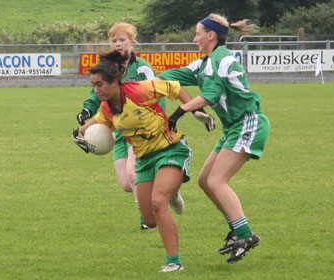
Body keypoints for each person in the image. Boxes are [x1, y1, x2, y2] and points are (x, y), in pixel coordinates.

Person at [76, 22, 214, 230]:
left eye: (122, 40)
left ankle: (148, 217)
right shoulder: (108, 70)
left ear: (132, 42)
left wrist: (159, 123)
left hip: (142, 130)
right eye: (113, 40)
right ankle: (167, 191)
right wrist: (86, 115)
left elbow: (160, 93)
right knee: (125, 184)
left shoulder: (142, 69)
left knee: (133, 174)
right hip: (118, 130)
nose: (117, 44)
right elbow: (97, 96)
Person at [158, 13, 270, 263]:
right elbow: (173, 75)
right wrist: (145, 82)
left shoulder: (223, 59)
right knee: (205, 180)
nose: (194, 38)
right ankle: (238, 230)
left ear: (210, 35)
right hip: (233, 127)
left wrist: (180, 111)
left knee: (217, 181)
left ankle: (245, 234)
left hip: (248, 123)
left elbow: (209, 95)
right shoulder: (204, 63)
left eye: (198, 33)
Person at [72, 50, 197, 272]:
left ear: (115, 82)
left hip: (170, 149)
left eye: (100, 84)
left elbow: (175, 88)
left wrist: (194, 111)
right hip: (144, 159)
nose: (96, 90)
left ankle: (174, 262)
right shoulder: (106, 107)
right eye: (93, 85)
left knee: (159, 202)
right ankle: (172, 192)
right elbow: (97, 122)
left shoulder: (140, 90)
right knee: (149, 220)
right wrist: (80, 134)